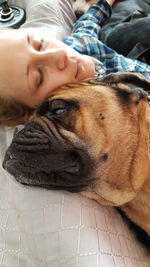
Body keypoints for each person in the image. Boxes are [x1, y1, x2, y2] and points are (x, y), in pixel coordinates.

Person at [0, 0, 150, 126]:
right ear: (35, 114)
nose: (58, 54)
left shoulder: (77, 45)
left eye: (40, 44)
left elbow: (88, 22)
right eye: (39, 76)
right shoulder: (103, 124)